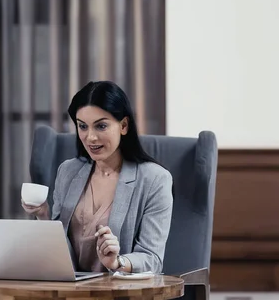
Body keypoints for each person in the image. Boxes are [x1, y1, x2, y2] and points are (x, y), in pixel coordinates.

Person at [21, 81, 173, 274]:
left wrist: (117, 262)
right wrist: (43, 215)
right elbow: (62, 257)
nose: (90, 137)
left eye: (101, 126)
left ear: (124, 125)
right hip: (71, 292)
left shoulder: (155, 179)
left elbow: (152, 259)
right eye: (82, 126)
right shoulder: (68, 171)